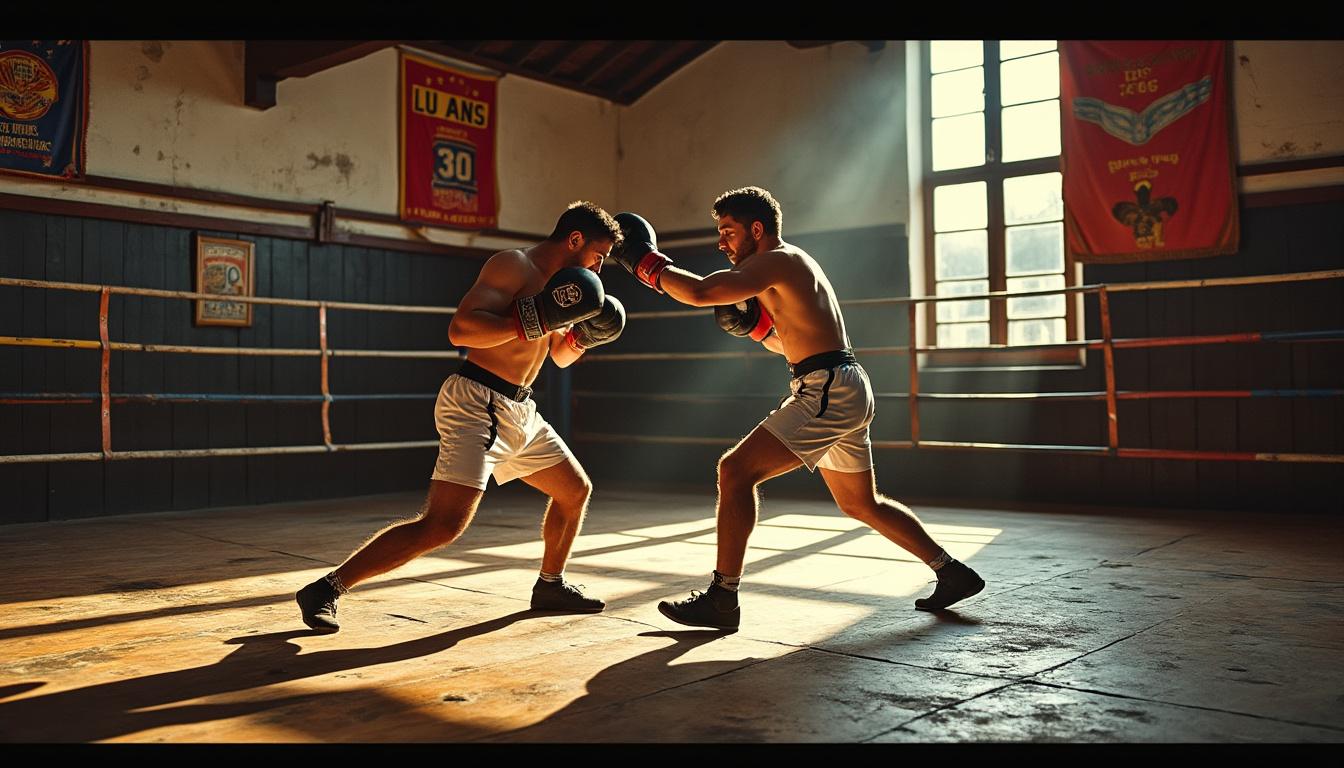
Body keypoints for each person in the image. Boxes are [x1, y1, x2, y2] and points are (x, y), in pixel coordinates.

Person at [608, 187, 984, 630]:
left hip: (827, 389)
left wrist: (643, 260)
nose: (721, 243)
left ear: (757, 229)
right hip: (838, 383)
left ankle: (722, 597)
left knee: (735, 471)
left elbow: (700, 292)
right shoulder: (785, 267)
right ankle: (952, 571)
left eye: (728, 232)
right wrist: (756, 330)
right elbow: (792, 342)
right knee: (862, 504)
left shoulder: (777, 260)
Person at [296, 201, 626, 631]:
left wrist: (584, 337)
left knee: (574, 490)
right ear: (575, 240)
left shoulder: (565, 288)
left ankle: (550, 584)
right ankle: (327, 588)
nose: (598, 270)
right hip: (478, 401)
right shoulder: (514, 266)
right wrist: (533, 317)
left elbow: (558, 357)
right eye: (597, 258)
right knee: (443, 525)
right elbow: (462, 329)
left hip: (520, 408)